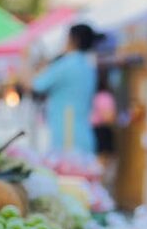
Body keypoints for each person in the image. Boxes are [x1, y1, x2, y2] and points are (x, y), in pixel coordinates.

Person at [30, 24, 100, 155]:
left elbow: (34, 85)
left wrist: (24, 59)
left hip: (67, 138)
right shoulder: (87, 66)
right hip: (83, 136)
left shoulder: (67, 64)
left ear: (72, 39)